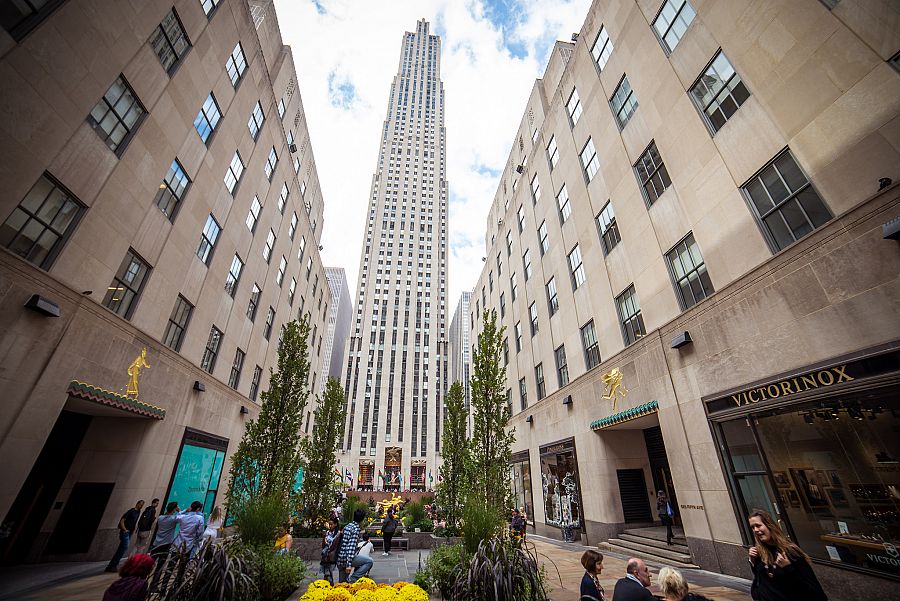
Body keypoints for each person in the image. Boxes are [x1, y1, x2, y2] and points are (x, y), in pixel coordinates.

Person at [747, 510, 827, 601]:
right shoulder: (759, 552)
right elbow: (761, 578)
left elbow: (813, 590)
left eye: (758, 525)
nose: (755, 530)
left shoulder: (791, 553)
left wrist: (788, 568)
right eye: (752, 527)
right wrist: (752, 561)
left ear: (769, 525)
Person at [147, 502, 179, 593]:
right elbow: (181, 517)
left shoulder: (160, 518)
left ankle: (142, 582)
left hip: (156, 543)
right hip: (165, 545)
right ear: (174, 509)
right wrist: (179, 511)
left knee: (149, 565)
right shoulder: (173, 519)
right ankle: (153, 586)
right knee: (160, 567)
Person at [106, 500, 144, 572]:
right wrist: (124, 529)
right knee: (124, 548)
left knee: (121, 550)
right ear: (137, 504)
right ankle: (113, 566)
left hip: (130, 533)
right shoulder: (131, 511)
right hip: (125, 532)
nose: (141, 506)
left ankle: (111, 566)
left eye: (142, 505)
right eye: (141, 504)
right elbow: (122, 520)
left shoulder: (138, 512)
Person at [337, 508, 373, 583]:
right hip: (346, 559)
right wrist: (349, 565)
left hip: (340, 558)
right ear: (362, 520)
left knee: (343, 583)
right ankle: (353, 578)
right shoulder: (355, 529)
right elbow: (350, 548)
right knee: (369, 561)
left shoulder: (348, 526)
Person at [320, 517, 341, 584]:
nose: (330, 526)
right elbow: (323, 545)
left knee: (329, 573)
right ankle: (328, 586)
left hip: (333, 556)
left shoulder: (338, 534)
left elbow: (335, 545)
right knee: (327, 574)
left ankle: (328, 586)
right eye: (329, 524)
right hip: (325, 556)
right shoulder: (327, 533)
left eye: (331, 524)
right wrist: (324, 537)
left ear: (336, 524)